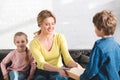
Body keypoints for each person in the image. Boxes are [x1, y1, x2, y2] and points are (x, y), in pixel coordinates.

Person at [29, 9, 83, 80]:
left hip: (59, 70)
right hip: (42, 72)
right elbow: (42, 63)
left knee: (57, 78)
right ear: (40, 24)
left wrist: (76, 65)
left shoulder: (60, 37)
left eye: (53, 23)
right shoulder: (33, 43)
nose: (51, 27)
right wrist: (57, 69)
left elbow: (67, 59)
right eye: (47, 24)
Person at [80, 10, 120, 80]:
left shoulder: (99, 46)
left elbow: (92, 70)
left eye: (95, 26)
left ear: (101, 29)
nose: (94, 29)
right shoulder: (117, 45)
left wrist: (82, 77)